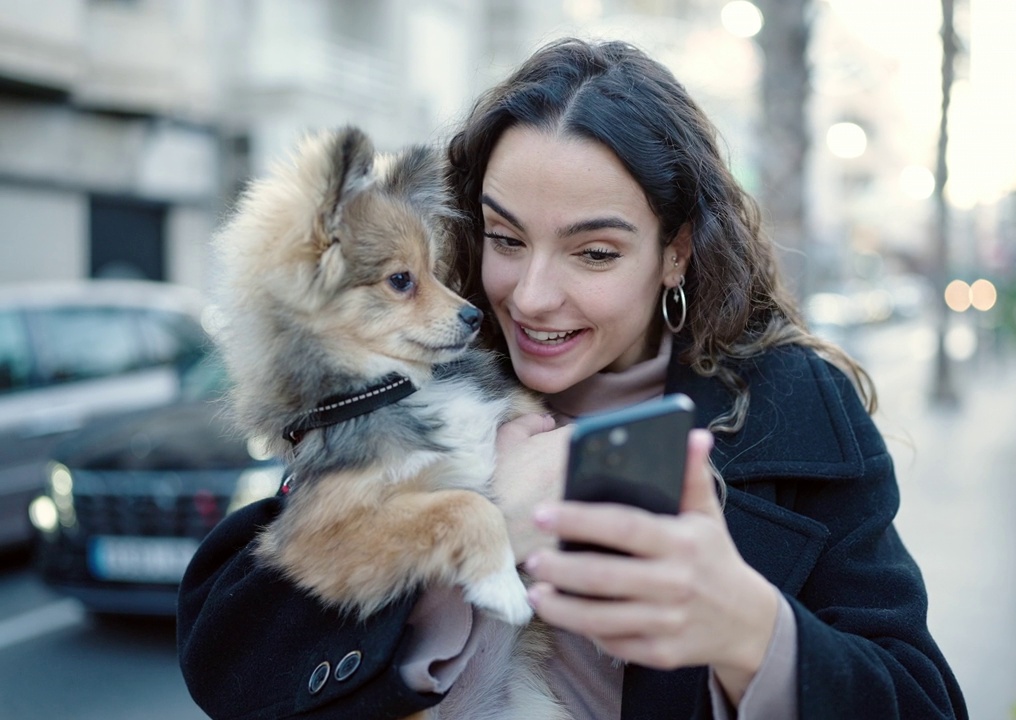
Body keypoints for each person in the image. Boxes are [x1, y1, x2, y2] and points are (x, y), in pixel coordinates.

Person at [177, 38, 967, 720]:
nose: (531, 295)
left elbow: (922, 698)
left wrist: (749, 630)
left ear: (676, 253)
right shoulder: (410, 373)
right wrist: (477, 529)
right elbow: (235, 660)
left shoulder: (791, 408)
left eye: (593, 253)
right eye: (505, 239)